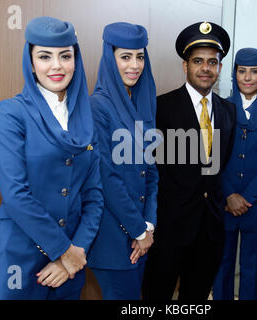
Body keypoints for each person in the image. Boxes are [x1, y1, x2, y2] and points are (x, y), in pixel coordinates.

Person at [0, 16, 103, 300]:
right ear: (31, 61)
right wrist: (63, 251)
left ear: (76, 59)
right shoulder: (12, 113)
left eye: (65, 56)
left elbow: (94, 195)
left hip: (70, 267)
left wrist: (76, 252)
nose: (56, 66)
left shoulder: (85, 119)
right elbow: (15, 194)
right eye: (44, 56)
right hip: (20, 260)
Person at [142, 21, 236, 300]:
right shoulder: (161, 108)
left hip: (211, 231)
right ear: (185, 66)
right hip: (169, 231)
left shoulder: (228, 111)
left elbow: (219, 166)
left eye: (212, 62)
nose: (206, 68)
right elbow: (150, 170)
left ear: (219, 68)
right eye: (198, 61)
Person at [87, 22, 158, 300]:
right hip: (113, 240)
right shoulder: (97, 107)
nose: (135, 65)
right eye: (125, 57)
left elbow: (151, 174)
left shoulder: (142, 104)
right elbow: (106, 178)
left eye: (140, 56)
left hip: (141, 237)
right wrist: (139, 231)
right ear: (110, 58)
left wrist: (148, 226)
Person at [212, 48, 257, 300]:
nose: (248, 77)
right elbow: (212, 159)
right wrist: (229, 194)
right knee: (222, 266)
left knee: (252, 270)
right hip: (224, 203)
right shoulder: (220, 107)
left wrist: (246, 198)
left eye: (254, 71)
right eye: (242, 71)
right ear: (234, 74)